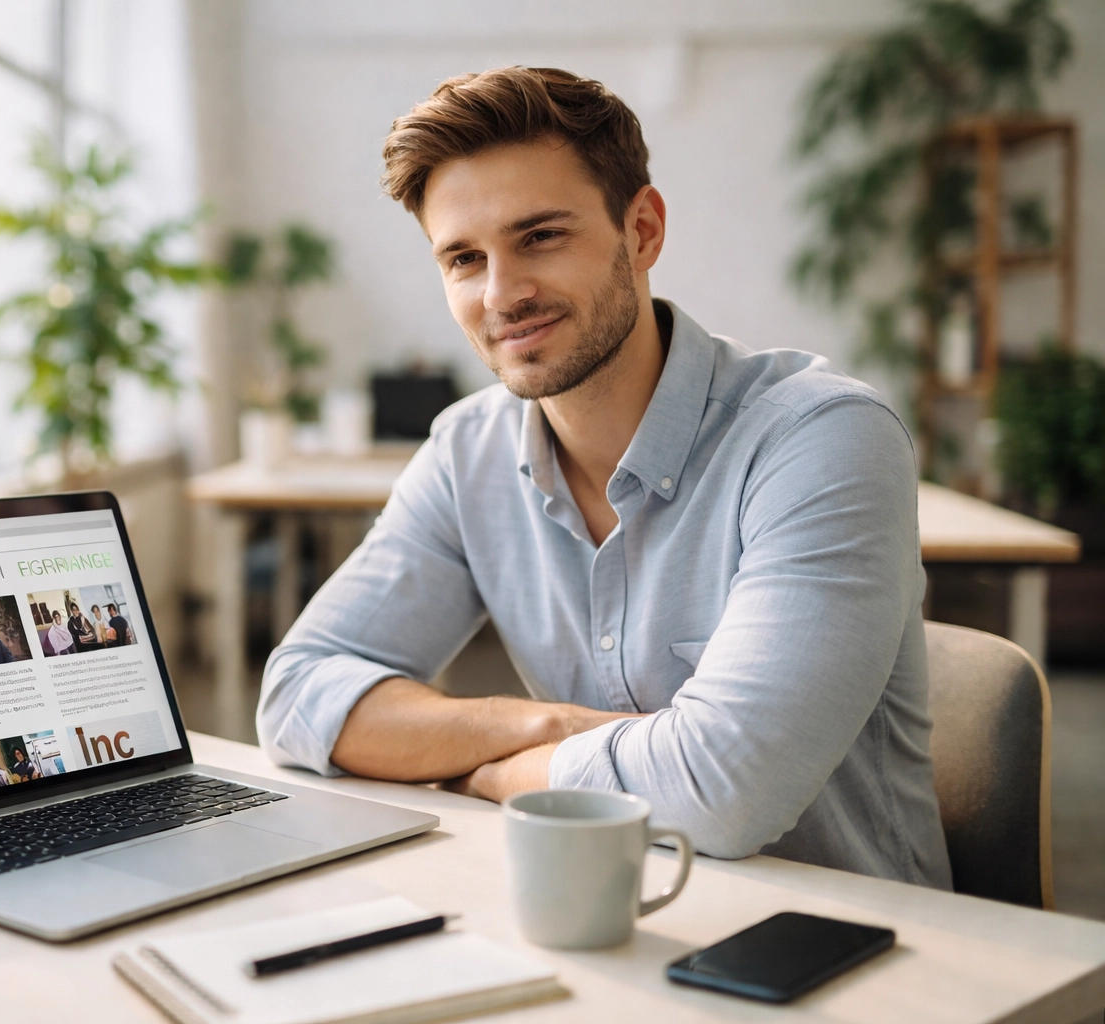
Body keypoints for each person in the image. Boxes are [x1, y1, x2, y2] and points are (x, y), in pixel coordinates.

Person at [257, 67, 951, 889]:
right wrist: (543, 727)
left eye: (540, 236)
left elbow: (724, 791)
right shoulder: (467, 452)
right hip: (598, 908)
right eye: (464, 259)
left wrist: (490, 774)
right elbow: (298, 696)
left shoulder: (821, 437)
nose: (502, 294)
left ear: (643, 231)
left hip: (852, 935)